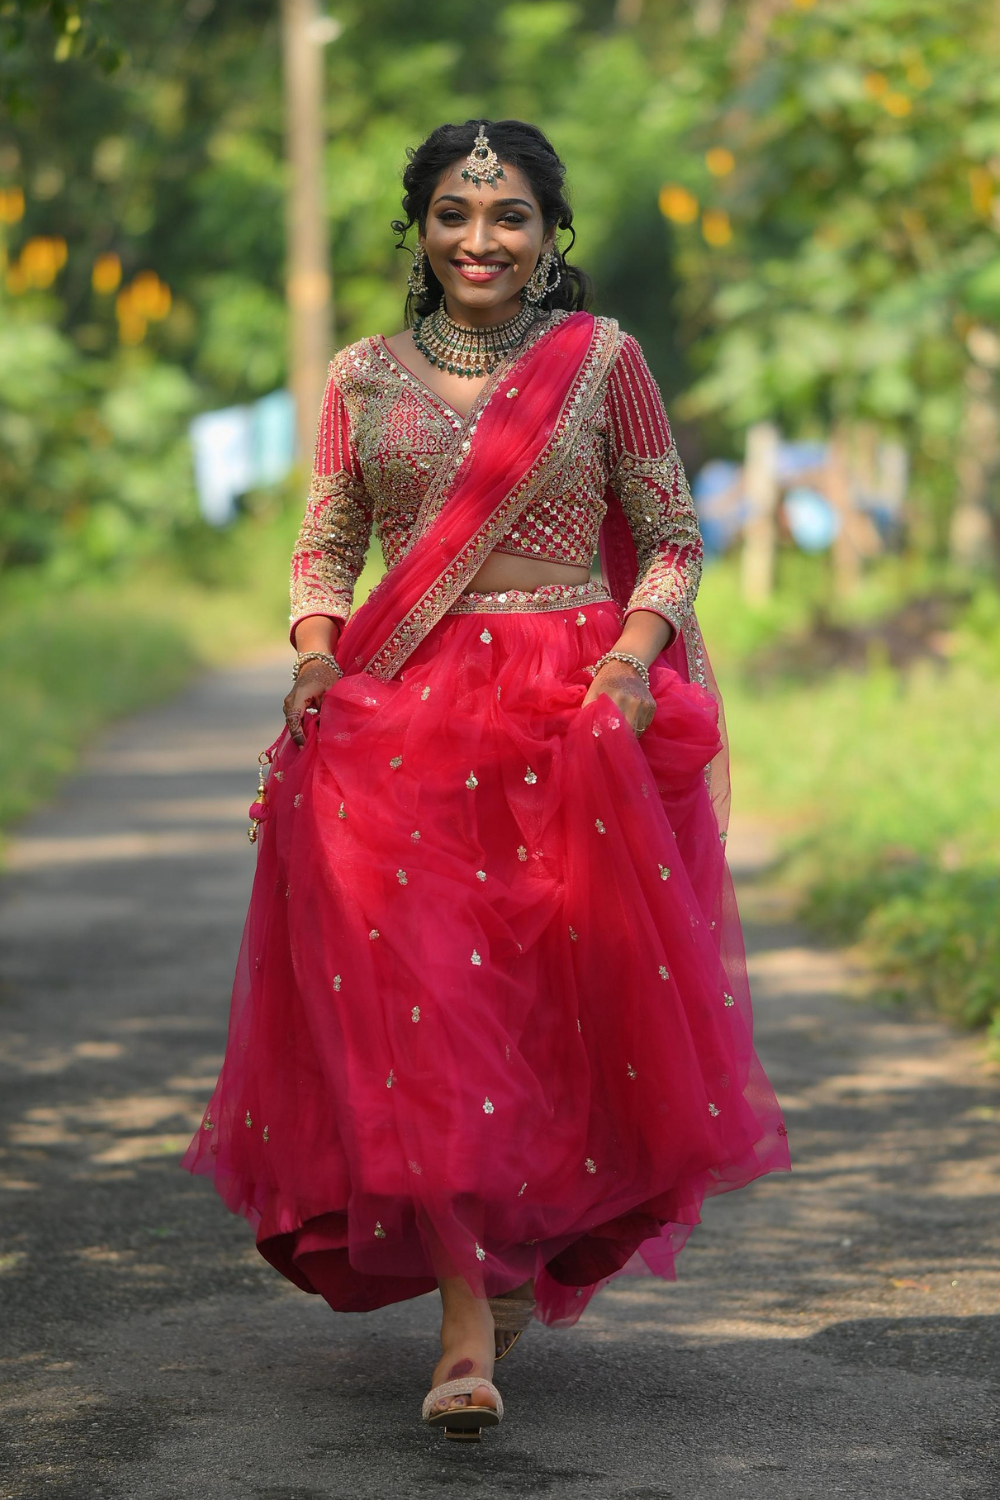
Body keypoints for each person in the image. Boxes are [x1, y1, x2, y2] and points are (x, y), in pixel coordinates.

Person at [183, 118, 789, 1442]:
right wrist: (311, 654)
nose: (480, 239)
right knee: (427, 1006)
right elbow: (323, 549)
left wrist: (634, 661)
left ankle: (515, 1244)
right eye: (455, 215)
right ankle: (465, 1315)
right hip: (404, 718)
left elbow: (674, 534)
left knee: (553, 1004)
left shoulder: (602, 361)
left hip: (576, 711)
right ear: (419, 229)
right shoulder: (361, 375)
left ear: (546, 232)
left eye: (507, 214)